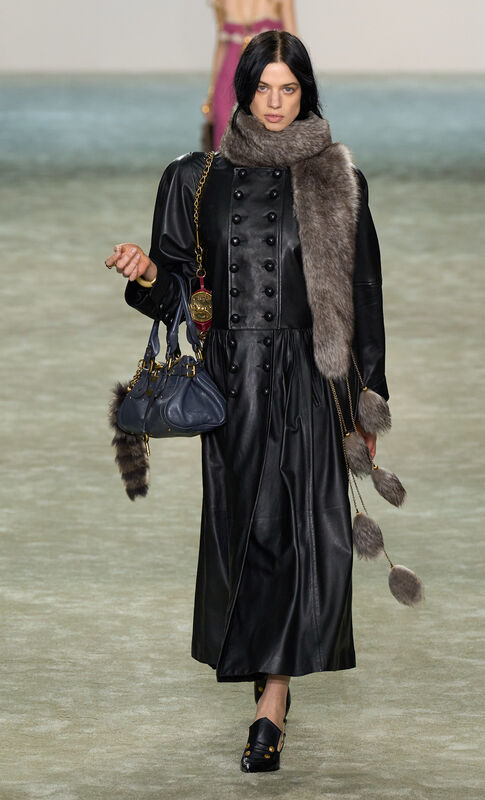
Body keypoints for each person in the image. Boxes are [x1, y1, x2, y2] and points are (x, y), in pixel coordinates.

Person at [105, 30, 388, 773]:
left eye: (288, 89)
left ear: (305, 94)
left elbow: (363, 294)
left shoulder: (337, 179)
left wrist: (367, 403)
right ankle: (268, 683)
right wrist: (145, 274)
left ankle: (272, 703)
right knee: (250, 533)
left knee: (303, 535)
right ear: (243, 90)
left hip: (313, 378)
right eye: (262, 88)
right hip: (232, 379)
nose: (274, 103)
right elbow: (177, 293)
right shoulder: (195, 178)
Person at [203, 0, 297, 148]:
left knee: (264, 145)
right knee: (227, 145)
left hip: (261, 76)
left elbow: (292, 44)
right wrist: (211, 95)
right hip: (239, 77)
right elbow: (293, 42)